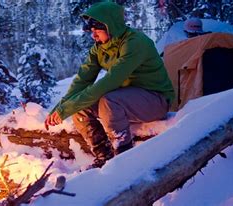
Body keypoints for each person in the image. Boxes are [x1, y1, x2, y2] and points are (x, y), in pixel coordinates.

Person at [44, 2, 175, 168]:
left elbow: (109, 82)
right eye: (92, 31)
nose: (94, 36)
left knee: (108, 100)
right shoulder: (99, 48)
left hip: (156, 100)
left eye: (97, 31)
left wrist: (66, 109)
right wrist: (60, 107)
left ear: (110, 27)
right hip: (129, 99)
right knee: (79, 107)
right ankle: (104, 156)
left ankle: (124, 158)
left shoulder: (135, 43)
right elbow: (82, 81)